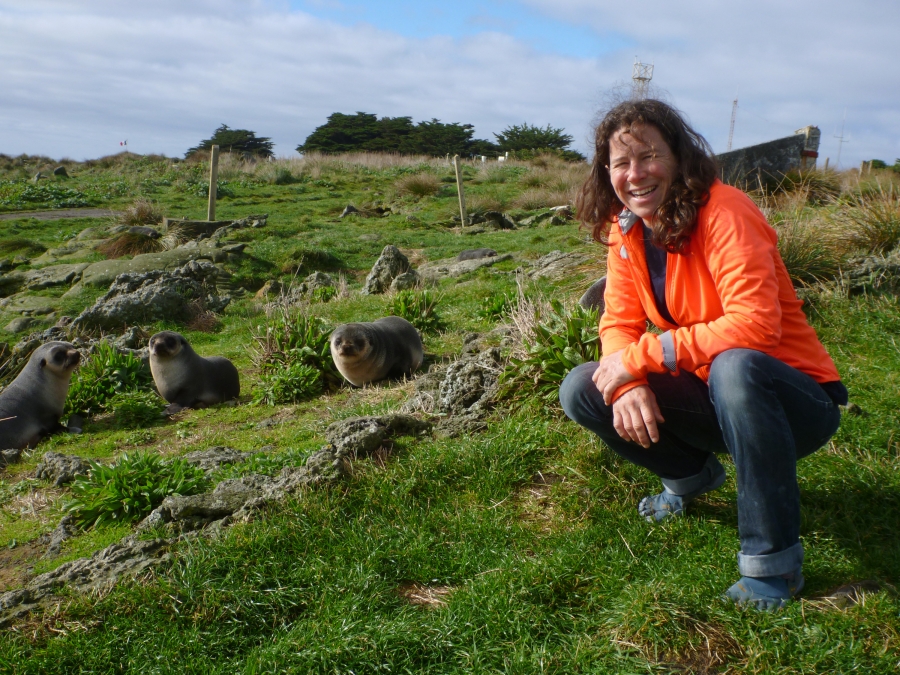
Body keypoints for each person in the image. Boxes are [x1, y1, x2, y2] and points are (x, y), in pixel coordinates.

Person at [559, 99, 847, 611]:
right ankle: (691, 477)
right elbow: (619, 323)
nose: (635, 173)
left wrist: (644, 357)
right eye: (621, 163)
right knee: (584, 386)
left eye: (648, 155)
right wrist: (626, 381)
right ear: (607, 173)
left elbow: (755, 325)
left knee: (736, 365)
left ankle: (772, 565)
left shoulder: (726, 209)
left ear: (679, 155)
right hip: (714, 395)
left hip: (792, 404)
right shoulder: (624, 230)